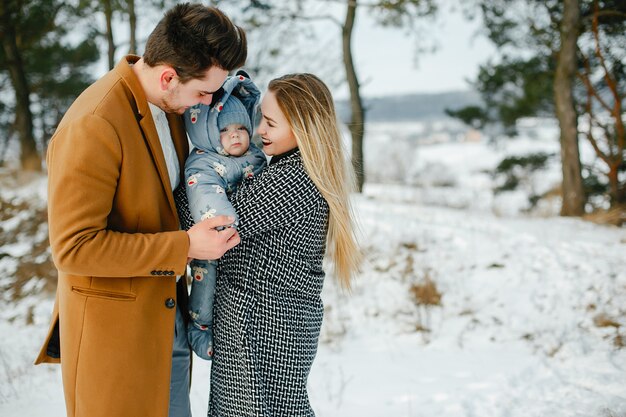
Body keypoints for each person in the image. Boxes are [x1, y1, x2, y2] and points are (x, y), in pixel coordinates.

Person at [34, 4, 246, 417]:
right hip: (117, 343)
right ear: (169, 76)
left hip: (170, 324)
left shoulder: (168, 107)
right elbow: (74, 249)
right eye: (204, 92)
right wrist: (185, 245)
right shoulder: (94, 123)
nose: (207, 103)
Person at [207, 73, 362, 416]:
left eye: (271, 123)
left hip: (262, 325)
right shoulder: (292, 170)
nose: (259, 129)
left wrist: (196, 177)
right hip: (269, 322)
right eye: (261, 117)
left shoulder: (293, 179)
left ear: (304, 128)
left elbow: (213, 219)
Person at [183, 72, 266, 360]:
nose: (235, 135)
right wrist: (223, 220)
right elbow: (204, 192)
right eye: (224, 129)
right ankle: (200, 328)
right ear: (207, 132)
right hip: (211, 240)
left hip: (239, 247)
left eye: (241, 128)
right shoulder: (202, 161)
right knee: (206, 287)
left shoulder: (255, 155)